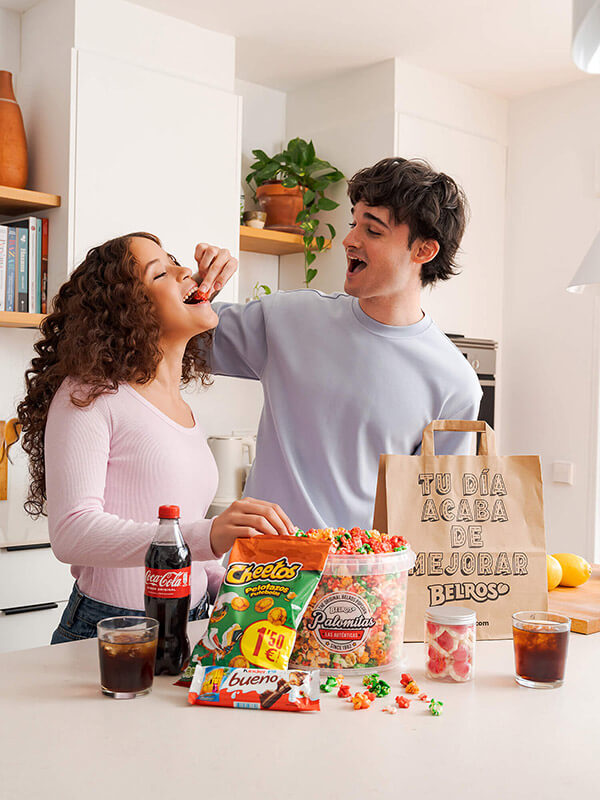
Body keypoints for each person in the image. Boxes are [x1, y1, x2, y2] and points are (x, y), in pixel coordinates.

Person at [17, 232, 293, 644]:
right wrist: (209, 535)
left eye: (174, 261)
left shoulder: (182, 408)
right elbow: (73, 533)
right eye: (161, 272)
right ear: (129, 312)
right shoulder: (90, 395)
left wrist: (232, 588)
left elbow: (188, 552)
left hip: (192, 620)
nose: (186, 272)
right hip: (114, 630)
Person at [192, 158, 482, 531]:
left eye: (372, 231)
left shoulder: (455, 384)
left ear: (423, 252)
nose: (349, 240)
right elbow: (167, 338)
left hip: (358, 582)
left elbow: (435, 521)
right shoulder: (286, 319)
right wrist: (197, 290)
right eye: (353, 223)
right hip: (259, 576)